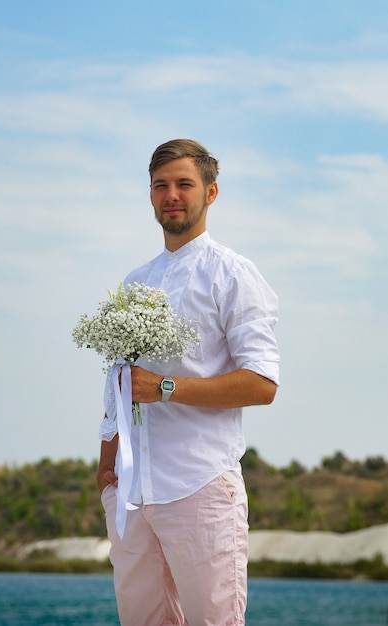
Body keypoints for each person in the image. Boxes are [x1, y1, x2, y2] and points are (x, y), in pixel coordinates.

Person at [97, 139, 280, 626]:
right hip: (133, 494)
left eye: (184, 184)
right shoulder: (136, 282)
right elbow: (117, 385)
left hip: (199, 486)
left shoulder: (234, 275)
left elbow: (262, 382)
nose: (171, 195)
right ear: (151, 195)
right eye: (161, 185)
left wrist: (166, 388)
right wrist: (108, 470)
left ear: (211, 193)